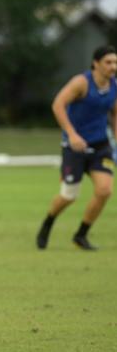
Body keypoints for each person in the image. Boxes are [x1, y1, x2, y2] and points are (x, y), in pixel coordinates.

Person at [37, 45, 117, 251]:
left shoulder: (114, 85)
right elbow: (57, 105)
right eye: (108, 62)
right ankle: (48, 222)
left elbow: (115, 113)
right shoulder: (81, 83)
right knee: (69, 196)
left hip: (101, 146)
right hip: (74, 147)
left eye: (115, 62)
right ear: (96, 64)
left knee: (104, 191)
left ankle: (81, 235)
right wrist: (72, 134)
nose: (113, 67)